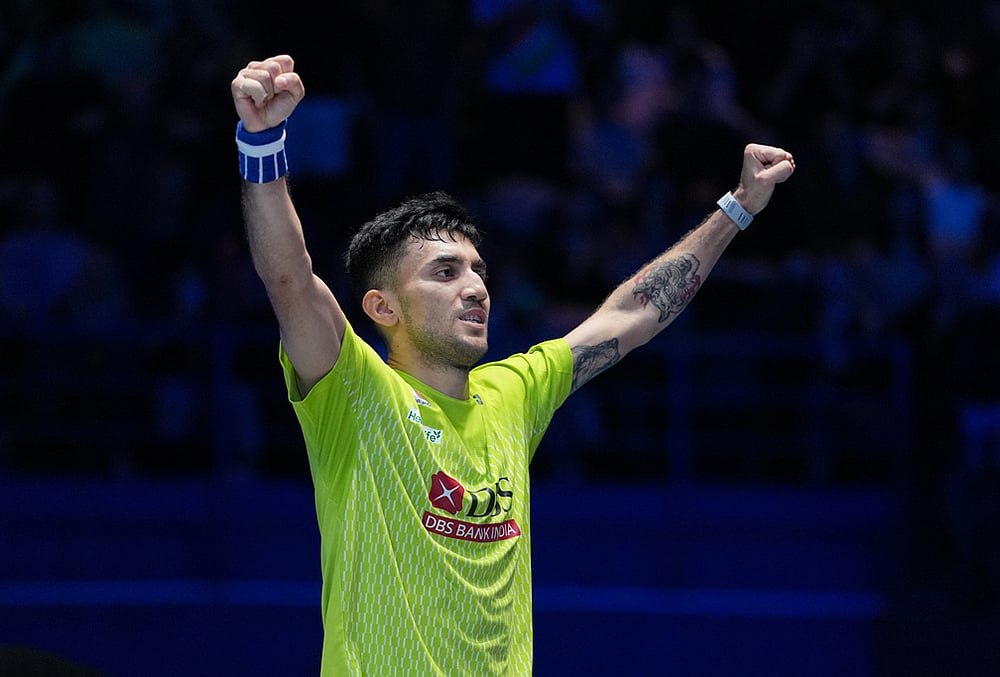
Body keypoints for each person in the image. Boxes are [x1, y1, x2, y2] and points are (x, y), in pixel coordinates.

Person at [231, 54, 794, 676]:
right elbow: (289, 279)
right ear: (381, 306)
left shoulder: (515, 391)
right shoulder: (355, 392)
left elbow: (630, 318)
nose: (475, 287)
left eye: (478, 271)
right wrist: (262, 142)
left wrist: (738, 206)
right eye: (445, 273)